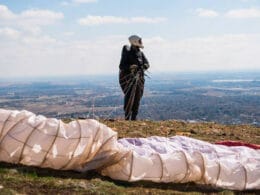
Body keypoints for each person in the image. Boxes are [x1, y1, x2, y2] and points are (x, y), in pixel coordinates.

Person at [119, 35, 150, 120]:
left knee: (137, 97)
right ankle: (127, 117)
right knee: (129, 97)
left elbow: (147, 63)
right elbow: (122, 66)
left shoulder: (140, 53)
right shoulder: (127, 51)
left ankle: (134, 117)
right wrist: (131, 67)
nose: (141, 42)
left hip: (139, 79)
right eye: (139, 41)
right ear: (135, 41)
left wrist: (145, 66)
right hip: (129, 80)